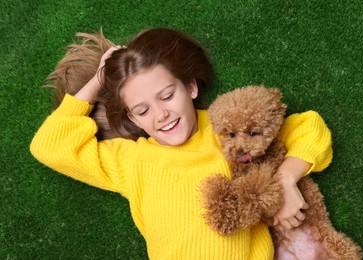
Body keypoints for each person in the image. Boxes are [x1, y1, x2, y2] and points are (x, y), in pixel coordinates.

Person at [30, 28, 332, 259]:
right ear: (134, 120)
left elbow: (309, 127)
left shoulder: (224, 130)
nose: (161, 115)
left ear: (190, 87)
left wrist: (286, 179)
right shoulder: (131, 160)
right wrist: (98, 79)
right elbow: (50, 146)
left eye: (167, 96)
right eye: (143, 110)